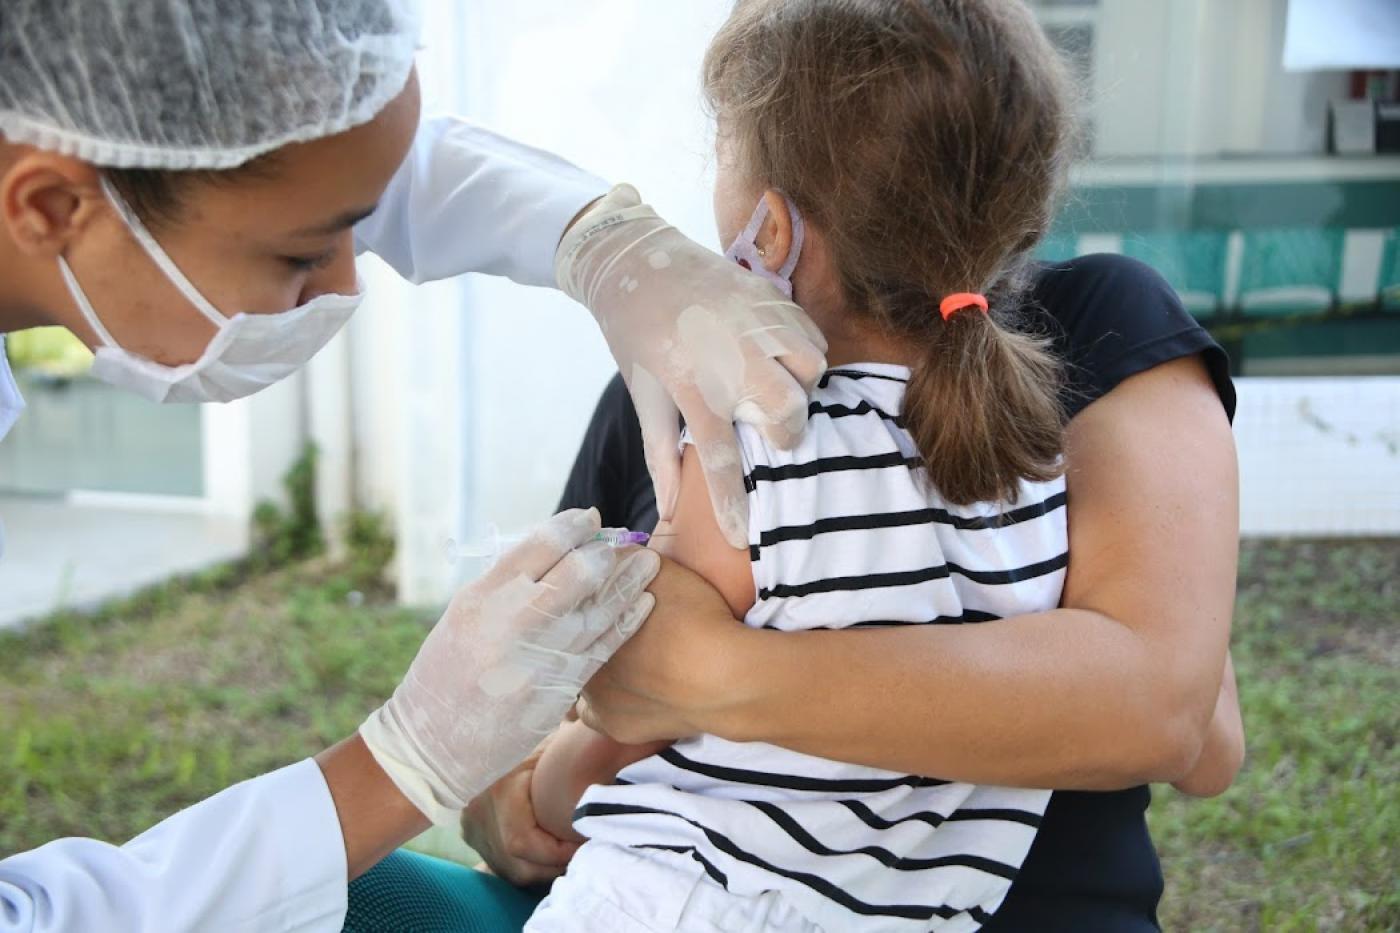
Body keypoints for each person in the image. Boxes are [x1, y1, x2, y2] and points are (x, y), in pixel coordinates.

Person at [0, 2, 827, 930]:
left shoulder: (156, 159)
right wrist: (400, 764)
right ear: (47, 206)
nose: (349, 283)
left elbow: (335, 162)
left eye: (355, 227)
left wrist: (600, 240)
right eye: (304, 252)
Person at [427, 0, 1246, 927]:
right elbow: (519, 772)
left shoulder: (741, 430)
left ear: (769, 229)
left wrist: (690, 687)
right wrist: (513, 804)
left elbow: (1179, 720)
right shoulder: (1025, 436)